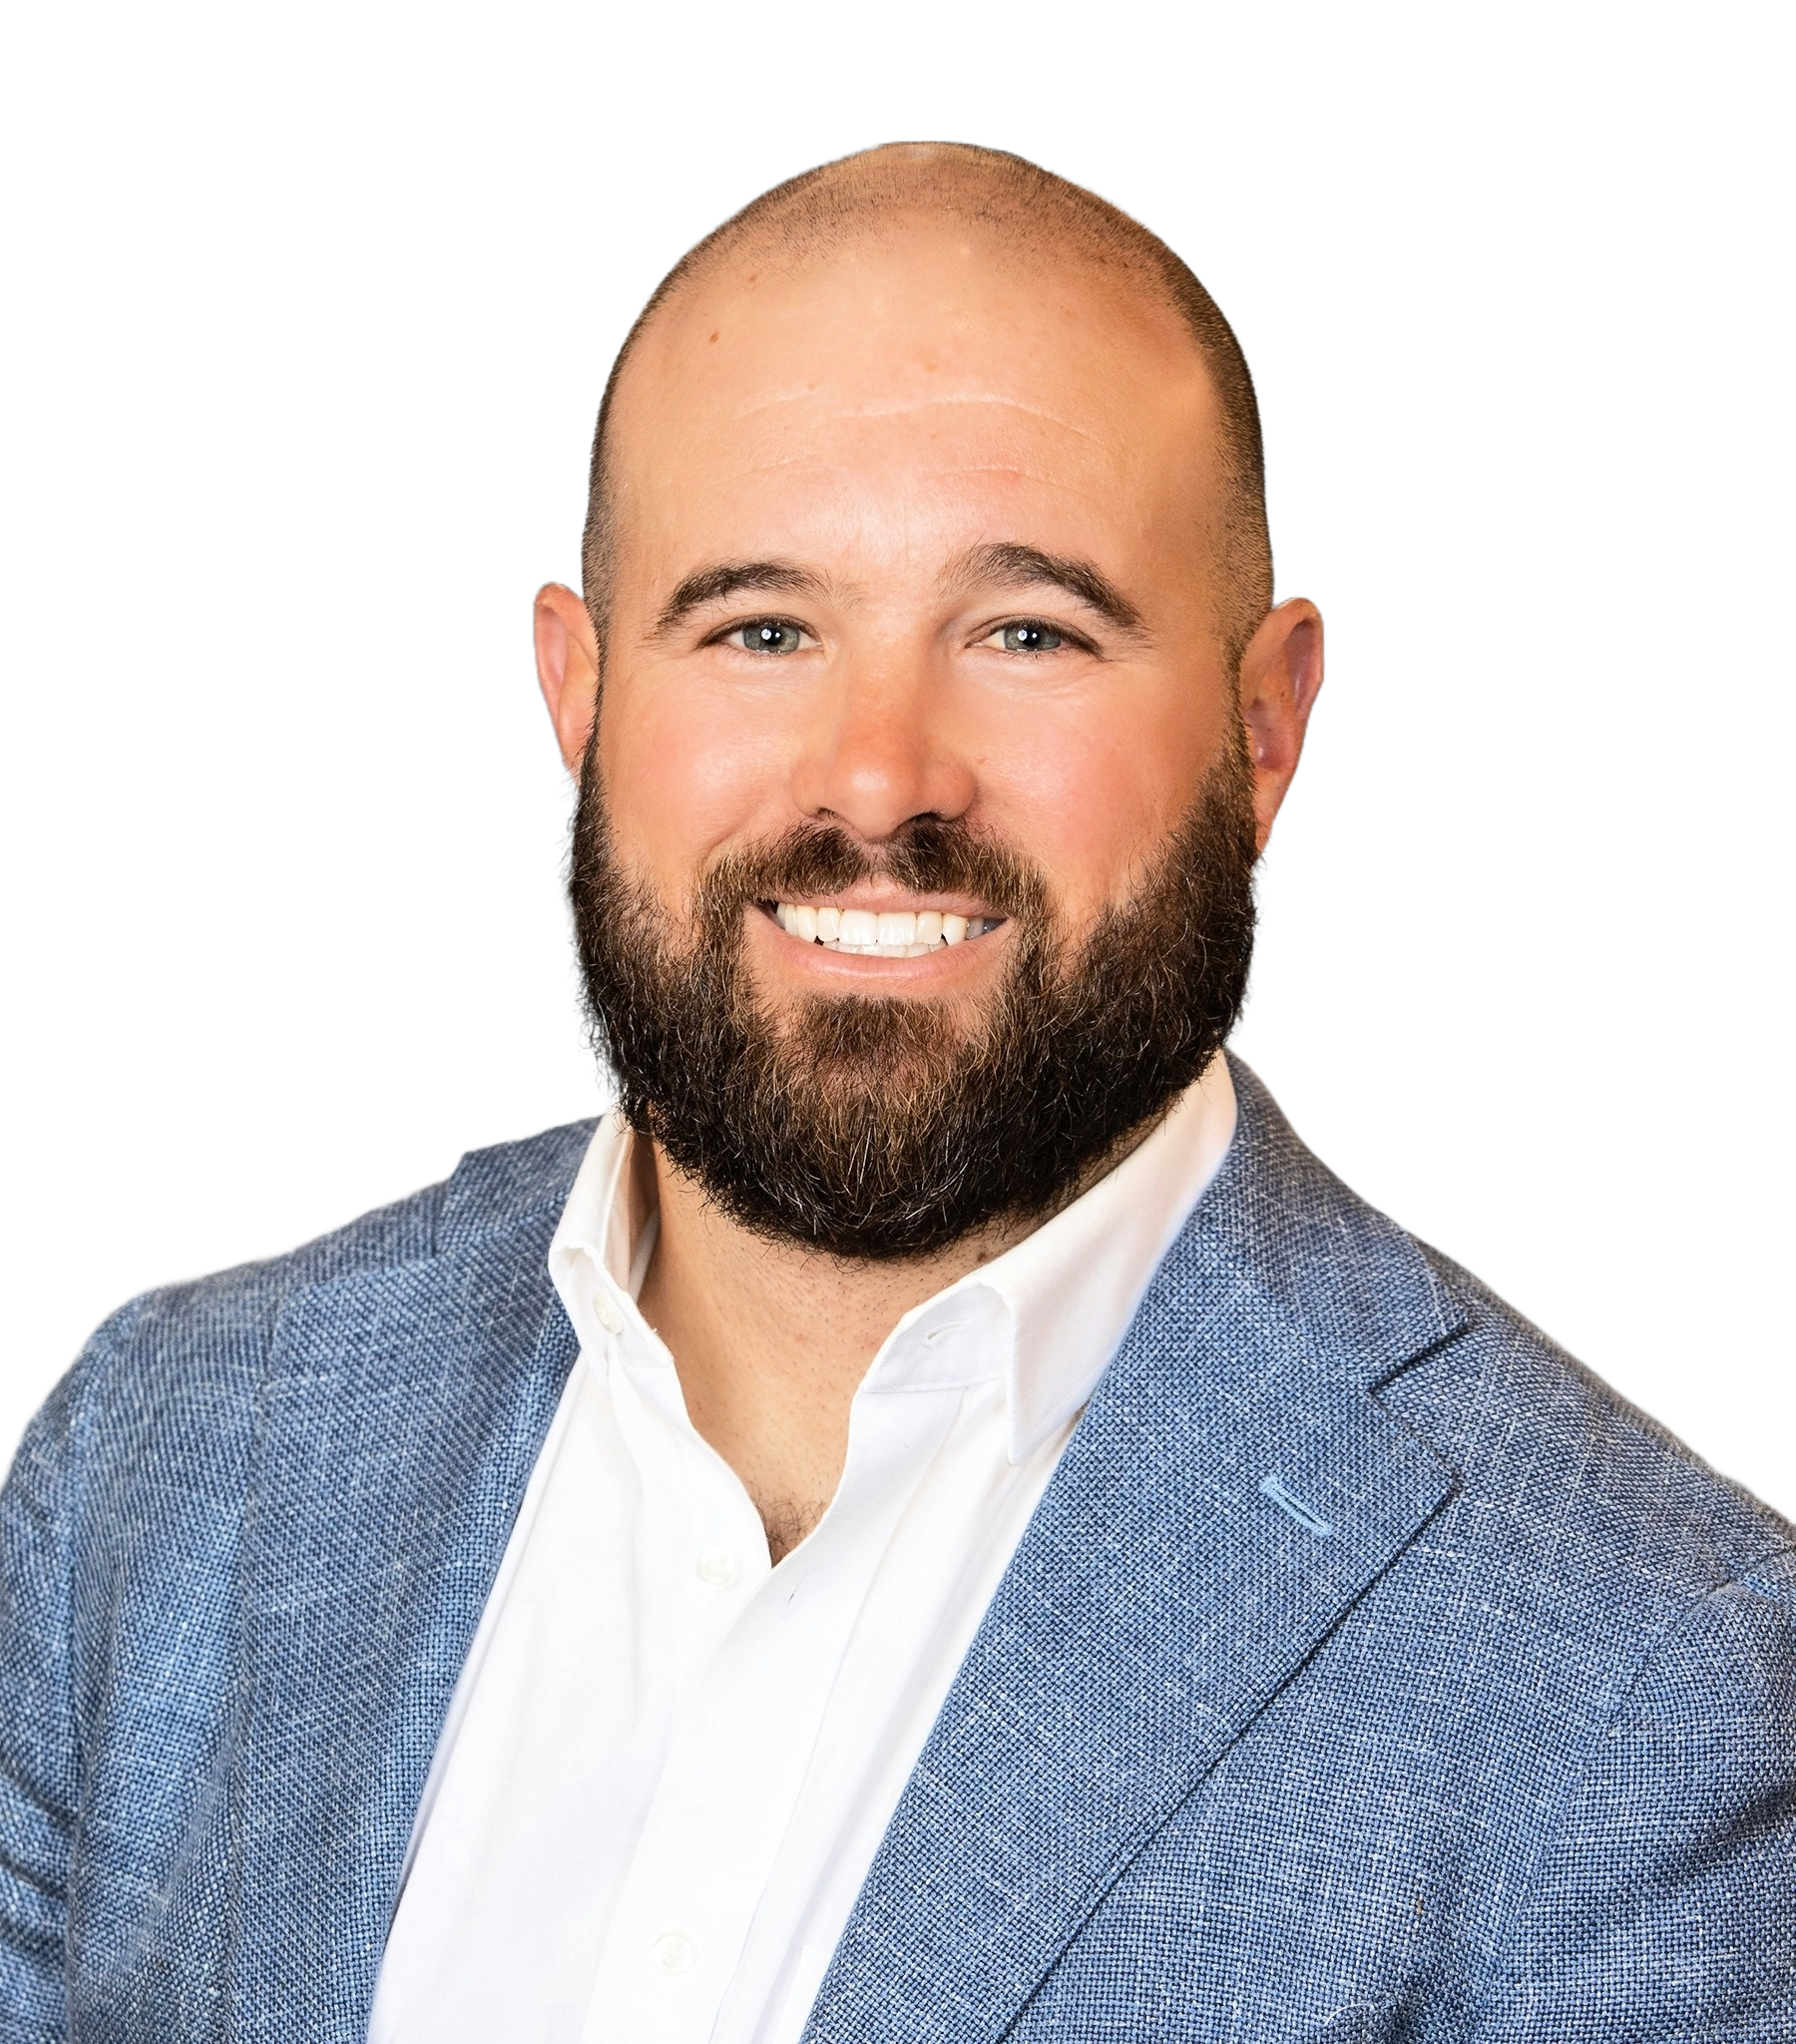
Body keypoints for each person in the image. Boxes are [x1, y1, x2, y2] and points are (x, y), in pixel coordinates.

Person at [2, 140, 1789, 2044]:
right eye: (760, 629)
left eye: (1029, 631)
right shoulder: (167, 1454)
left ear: (1268, 727)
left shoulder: (1647, 1682)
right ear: (577, 696)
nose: (876, 781)